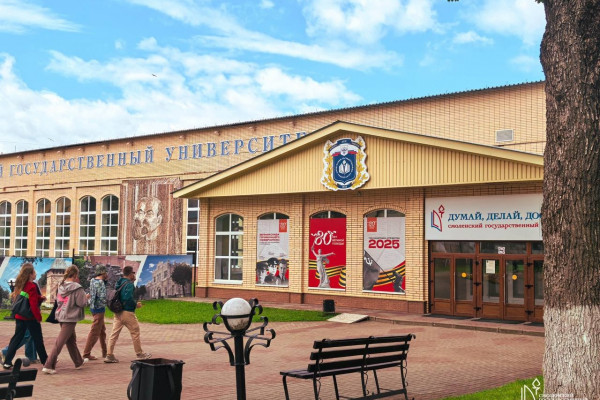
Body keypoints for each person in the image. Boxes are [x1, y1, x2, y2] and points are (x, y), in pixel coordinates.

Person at [42, 265, 90, 375]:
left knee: (70, 340)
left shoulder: (61, 286)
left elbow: (58, 301)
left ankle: (78, 362)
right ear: (75, 275)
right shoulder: (77, 287)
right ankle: (48, 365)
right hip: (70, 317)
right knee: (60, 342)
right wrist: (86, 298)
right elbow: (81, 303)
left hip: (61, 315)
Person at [2, 263, 48, 370]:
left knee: (16, 338)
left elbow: (26, 298)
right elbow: (32, 304)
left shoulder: (21, 284)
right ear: (30, 274)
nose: (35, 274)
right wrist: (38, 317)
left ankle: (7, 362)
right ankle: (46, 363)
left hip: (20, 316)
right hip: (30, 318)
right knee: (38, 340)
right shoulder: (32, 286)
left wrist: (40, 298)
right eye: (34, 272)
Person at [104, 266, 151, 363]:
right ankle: (140, 354)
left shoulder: (119, 282)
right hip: (127, 312)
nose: (134, 275)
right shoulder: (129, 284)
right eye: (133, 273)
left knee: (114, 334)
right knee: (135, 332)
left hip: (118, 312)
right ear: (130, 274)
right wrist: (135, 304)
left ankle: (109, 355)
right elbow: (127, 298)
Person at [82, 265, 108, 361]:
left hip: (93, 308)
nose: (107, 274)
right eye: (106, 272)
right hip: (99, 309)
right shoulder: (100, 283)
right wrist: (109, 302)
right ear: (103, 272)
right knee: (94, 332)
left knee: (102, 331)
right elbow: (102, 297)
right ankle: (86, 353)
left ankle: (105, 352)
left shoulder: (93, 280)